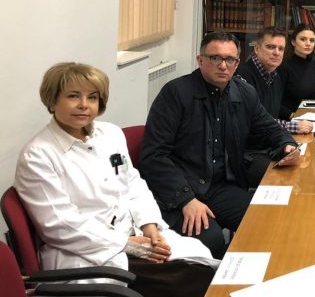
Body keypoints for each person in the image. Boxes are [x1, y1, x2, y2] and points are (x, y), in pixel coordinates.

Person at [15, 63, 216, 297]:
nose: (84, 104)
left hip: (133, 233)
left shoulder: (110, 134)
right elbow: (60, 225)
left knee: (202, 261)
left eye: (92, 97)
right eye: (73, 96)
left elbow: (133, 185)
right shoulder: (38, 155)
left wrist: (149, 226)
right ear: (52, 101)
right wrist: (128, 244)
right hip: (87, 252)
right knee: (188, 281)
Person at [141, 32, 299, 259]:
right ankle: (219, 277)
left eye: (230, 59)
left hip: (219, 187)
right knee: (212, 240)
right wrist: (186, 199)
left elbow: (269, 126)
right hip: (182, 188)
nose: (223, 65)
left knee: (267, 219)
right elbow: (154, 155)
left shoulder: (244, 92)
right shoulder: (175, 93)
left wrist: (287, 145)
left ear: (237, 62)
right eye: (215, 58)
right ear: (200, 60)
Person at [236, 26, 313, 135]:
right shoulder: (242, 77)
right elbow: (254, 121)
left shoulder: (275, 75)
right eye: (270, 47)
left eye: (281, 49)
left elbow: (273, 114)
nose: (277, 53)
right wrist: (293, 126)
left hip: (272, 138)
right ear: (257, 49)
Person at [278, 24, 315, 113]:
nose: (308, 44)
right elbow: (275, 101)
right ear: (293, 42)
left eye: (312, 40)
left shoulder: (314, 64)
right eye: (303, 39)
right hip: (289, 116)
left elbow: (313, 93)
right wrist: (291, 116)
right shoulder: (283, 66)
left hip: (309, 114)